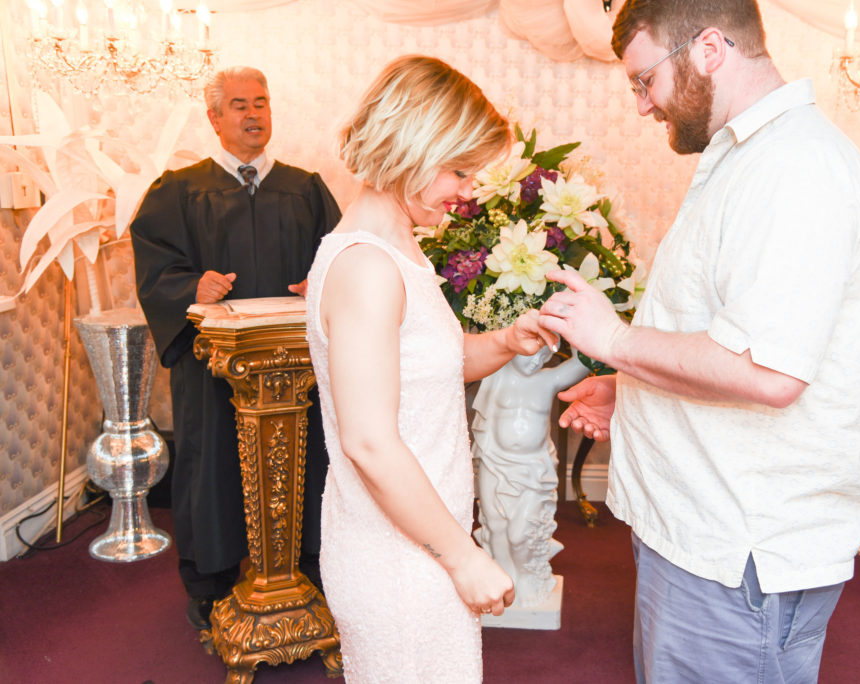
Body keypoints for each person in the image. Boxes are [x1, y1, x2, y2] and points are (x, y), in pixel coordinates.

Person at [538, 1, 860, 682]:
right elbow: (726, 337)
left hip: (739, 552)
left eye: (645, 81)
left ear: (708, 49)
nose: (643, 106)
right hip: (702, 534)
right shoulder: (750, 157)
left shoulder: (795, 168)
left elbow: (767, 372)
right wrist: (635, 390)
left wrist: (612, 340)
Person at [305, 55, 557, 683]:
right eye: (460, 169)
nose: (468, 191)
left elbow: (426, 371)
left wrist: (504, 340)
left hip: (419, 537)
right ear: (412, 144)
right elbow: (368, 440)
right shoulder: (367, 266)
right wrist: (463, 557)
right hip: (398, 554)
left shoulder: (399, 249)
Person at [130, 66, 341, 631]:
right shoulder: (179, 189)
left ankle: (310, 565)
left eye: (262, 103)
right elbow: (155, 267)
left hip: (296, 367)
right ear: (215, 118)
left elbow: (342, 257)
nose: (254, 114)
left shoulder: (305, 187)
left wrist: (317, 282)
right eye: (240, 105)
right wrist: (189, 287)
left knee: (306, 458)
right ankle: (212, 581)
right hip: (213, 367)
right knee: (213, 462)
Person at [470, 346, 589, 607]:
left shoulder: (548, 380)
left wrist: (571, 317)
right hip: (494, 462)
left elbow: (586, 361)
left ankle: (528, 577)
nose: (537, 361)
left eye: (544, 355)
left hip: (532, 468)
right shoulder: (493, 374)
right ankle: (505, 581)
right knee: (496, 526)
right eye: (533, 352)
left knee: (520, 532)